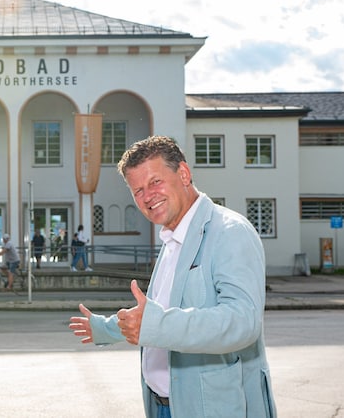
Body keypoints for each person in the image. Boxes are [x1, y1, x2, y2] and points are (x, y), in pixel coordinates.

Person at [68, 135, 276, 417]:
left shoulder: (229, 231)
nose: (147, 196)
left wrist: (154, 324)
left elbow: (242, 322)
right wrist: (106, 328)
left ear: (184, 174)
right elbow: (163, 314)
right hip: (163, 405)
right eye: (137, 190)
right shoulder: (172, 239)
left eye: (155, 182)